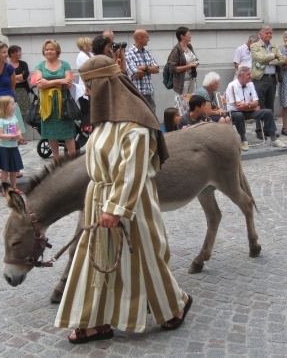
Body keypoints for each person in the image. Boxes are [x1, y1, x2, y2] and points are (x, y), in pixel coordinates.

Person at [56, 55, 192, 343]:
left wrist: (116, 208)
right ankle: (96, 321)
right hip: (99, 199)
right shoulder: (105, 121)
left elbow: (133, 171)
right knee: (96, 258)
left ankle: (173, 308)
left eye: (90, 86)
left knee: (143, 257)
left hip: (131, 205)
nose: (87, 92)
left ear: (104, 85)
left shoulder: (135, 125)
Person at [226, 66, 287, 151]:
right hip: (235, 112)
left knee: (268, 112)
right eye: (248, 74)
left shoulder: (250, 84)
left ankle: (273, 139)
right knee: (239, 115)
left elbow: (256, 102)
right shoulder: (232, 85)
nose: (251, 76)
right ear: (240, 75)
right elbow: (239, 107)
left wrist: (248, 106)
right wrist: (253, 107)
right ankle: (244, 140)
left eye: (250, 74)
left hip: (249, 111)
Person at [34, 39, 76, 161]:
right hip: (48, 104)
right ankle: (56, 160)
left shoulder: (65, 64)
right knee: (51, 134)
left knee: (68, 133)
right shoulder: (40, 65)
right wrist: (59, 81)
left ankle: (72, 158)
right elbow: (40, 85)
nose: (49, 51)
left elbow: (68, 84)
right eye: (46, 49)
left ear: (57, 50)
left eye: (51, 49)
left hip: (63, 102)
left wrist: (48, 82)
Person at [250, 26, 285, 138]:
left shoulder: (274, 46)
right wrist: (273, 55)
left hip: (272, 78)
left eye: (270, 33)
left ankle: (269, 130)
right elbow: (259, 58)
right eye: (267, 33)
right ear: (261, 34)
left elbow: (282, 60)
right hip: (260, 78)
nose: (269, 35)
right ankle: (259, 130)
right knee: (260, 104)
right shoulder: (254, 45)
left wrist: (268, 61)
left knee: (270, 106)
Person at [0, 95, 24, 195]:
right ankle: (5, 188)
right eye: (12, 104)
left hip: (13, 147)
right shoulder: (0, 120)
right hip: (4, 148)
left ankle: (14, 187)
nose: (14, 105)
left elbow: (18, 128)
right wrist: (11, 135)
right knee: (5, 170)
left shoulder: (14, 117)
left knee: (14, 169)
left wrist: (19, 134)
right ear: (5, 106)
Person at [125, 29, 159, 111]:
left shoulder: (147, 53)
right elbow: (135, 74)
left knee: (152, 119)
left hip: (149, 92)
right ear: (140, 38)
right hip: (138, 94)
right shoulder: (128, 53)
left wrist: (144, 68)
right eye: (147, 37)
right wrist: (149, 69)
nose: (149, 39)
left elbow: (157, 69)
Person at [8, 45, 30, 145]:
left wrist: (12, 78)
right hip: (11, 91)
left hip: (22, 91)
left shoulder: (23, 64)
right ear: (12, 53)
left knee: (22, 114)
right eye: (17, 52)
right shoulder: (7, 65)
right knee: (11, 114)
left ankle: (21, 136)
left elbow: (25, 76)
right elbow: (6, 78)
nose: (20, 54)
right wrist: (18, 78)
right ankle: (14, 136)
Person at [167, 26, 199, 95]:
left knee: (192, 101)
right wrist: (188, 67)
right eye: (189, 34)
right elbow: (172, 68)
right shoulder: (176, 50)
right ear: (182, 36)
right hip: (182, 82)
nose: (191, 36)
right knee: (183, 103)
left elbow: (193, 58)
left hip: (192, 79)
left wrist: (195, 64)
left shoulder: (189, 46)